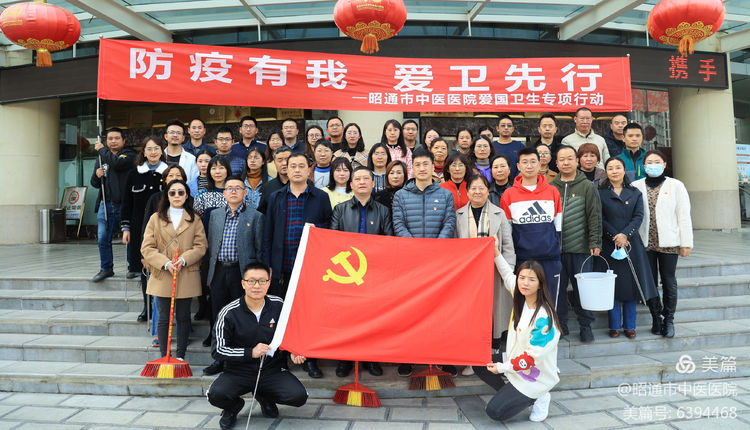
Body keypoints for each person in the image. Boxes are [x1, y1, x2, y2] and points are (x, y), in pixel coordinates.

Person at [206, 262, 308, 428]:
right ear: (243, 283)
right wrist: (250, 352)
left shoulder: (279, 305)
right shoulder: (229, 312)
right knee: (215, 395)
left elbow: (291, 332)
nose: (256, 286)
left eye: (262, 281)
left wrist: (293, 351)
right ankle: (233, 407)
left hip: (271, 370)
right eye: (251, 281)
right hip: (238, 371)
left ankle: (264, 395)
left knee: (299, 396)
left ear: (268, 283)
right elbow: (218, 350)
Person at [262, 152, 332, 378]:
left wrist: (318, 230)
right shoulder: (276, 197)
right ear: (286, 169)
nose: (297, 170)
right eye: (293, 166)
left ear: (309, 169)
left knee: (308, 314)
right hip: (281, 266)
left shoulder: (320, 197)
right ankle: (280, 359)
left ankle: (309, 359)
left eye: (302, 166)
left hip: (309, 267)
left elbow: (330, 229)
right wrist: (268, 265)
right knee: (280, 313)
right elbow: (268, 233)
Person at [392, 148, 456, 377]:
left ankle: (442, 356)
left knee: (439, 311)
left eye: (425, 164)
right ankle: (408, 357)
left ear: (433, 167)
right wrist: (417, 249)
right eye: (417, 164)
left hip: (438, 262)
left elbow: (449, 223)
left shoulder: (445, 195)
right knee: (410, 312)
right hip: (410, 262)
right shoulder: (401, 195)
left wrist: (434, 248)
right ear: (412, 167)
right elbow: (398, 224)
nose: (421, 168)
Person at [475, 258, 560, 423]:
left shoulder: (544, 318)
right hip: (515, 361)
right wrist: (496, 253)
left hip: (534, 374)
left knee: (494, 412)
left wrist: (502, 367)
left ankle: (539, 396)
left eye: (532, 279)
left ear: (540, 284)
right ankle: (511, 394)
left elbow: (531, 358)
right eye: (522, 277)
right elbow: (507, 274)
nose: (525, 283)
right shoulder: (521, 295)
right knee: (479, 363)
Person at [330, 166, 393, 378]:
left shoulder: (383, 210)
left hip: (374, 272)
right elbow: (333, 240)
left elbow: (389, 240)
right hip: (347, 272)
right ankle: (345, 359)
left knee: (372, 318)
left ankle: (371, 358)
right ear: (351, 184)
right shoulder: (340, 209)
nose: (362, 182)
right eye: (358, 179)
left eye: (366, 178)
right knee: (346, 318)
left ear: (373, 183)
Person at [203, 176, 265, 377]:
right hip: (219, 271)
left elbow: (259, 249)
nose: (233, 191)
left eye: (238, 188)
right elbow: (210, 245)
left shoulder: (255, 216)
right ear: (224, 193)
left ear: (245, 193)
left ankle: (240, 358)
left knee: (241, 315)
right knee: (218, 315)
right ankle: (219, 359)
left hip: (242, 273)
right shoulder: (215, 215)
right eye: (229, 188)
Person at [455, 174, 515, 376]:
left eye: (481, 188)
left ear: (488, 191)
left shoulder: (499, 213)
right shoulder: (459, 215)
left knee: (494, 315)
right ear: (467, 192)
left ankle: (492, 357)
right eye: (473, 188)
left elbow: (508, 245)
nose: (477, 192)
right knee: (472, 316)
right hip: (468, 275)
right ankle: (473, 360)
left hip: (495, 272)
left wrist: (508, 272)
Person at [141, 179, 207, 361]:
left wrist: (184, 259)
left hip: (186, 272)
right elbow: (147, 247)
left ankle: (181, 356)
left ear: (186, 195)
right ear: (167, 195)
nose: (177, 196)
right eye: (172, 192)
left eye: (181, 192)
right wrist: (165, 263)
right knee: (163, 316)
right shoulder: (155, 218)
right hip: (163, 273)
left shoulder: (195, 219)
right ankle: (164, 356)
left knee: (184, 316)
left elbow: (201, 246)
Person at [632, 150, 693, 339]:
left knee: (668, 280)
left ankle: (669, 320)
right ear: (643, 166)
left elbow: (684, 215)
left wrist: (686, 243)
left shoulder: (676, 185)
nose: (653, 165)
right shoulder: (636, 186)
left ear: (664, 164)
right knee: (649, 282)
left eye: (657, 162)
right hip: (645, 243)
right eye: (649, 162)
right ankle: (656, 318)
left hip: (669, 242)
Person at [596, 157, 658, 339]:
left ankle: (630, 326)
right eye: (610, 168)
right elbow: (600, 218)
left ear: (624, 170)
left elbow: (638, 217)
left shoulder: (635, 193)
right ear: (606, 172)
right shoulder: (599, 193)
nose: (614, 171)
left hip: (631, 244)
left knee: (631, 286)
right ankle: (614, 326)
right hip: (609, 244)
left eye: (618, 167)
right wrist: (615, 236)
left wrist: (625, 235)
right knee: (612, 286)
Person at [550, 145, 602, 341]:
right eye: (562, 159)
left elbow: (594, 216)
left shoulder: (587, 186)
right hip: (555, 251)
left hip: (581, 248)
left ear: (577, 161)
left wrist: (595, 242)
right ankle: (561, 325)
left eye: (570, 158)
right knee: (558, 291)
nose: (566, 162)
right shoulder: (550, 187)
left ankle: (586, 326)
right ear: (556, 163)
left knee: (583, 290)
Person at [500, 147, 563, 308]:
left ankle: (550, 326)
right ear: (518, 166)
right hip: (523, 259)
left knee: (550, 304)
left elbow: (558, 225)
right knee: (525, 305)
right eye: (525, 162)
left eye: (533, 161)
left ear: (540, 164)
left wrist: (554, 248)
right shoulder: (509, 195)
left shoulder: (552, 191)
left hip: (550, 258)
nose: (529, 166)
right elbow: (507, 231)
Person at [121, 136, 167, 322]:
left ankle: (164, 310)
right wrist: (126, 229)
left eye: (156, 148)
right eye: (149, 149)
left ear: (162, 151)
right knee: (144, 269)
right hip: (140, 229)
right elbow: (127, 203)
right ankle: (147, 307)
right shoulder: (134, 174)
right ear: (144, 152)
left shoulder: (169, 172)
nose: (153, 152)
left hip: (165, 230)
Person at [90, 127, 136, 282]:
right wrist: (97, 176)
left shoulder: (129, 154)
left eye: (117, 138)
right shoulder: (101, 158)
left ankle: (132, 267)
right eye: (110, 139)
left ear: (124, 140)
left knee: (129, 237)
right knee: (103, 237)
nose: (113, 141)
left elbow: (116, 163)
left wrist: (102, 150)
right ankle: (106, 268)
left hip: (125, 204)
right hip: (106, 203)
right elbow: (95, 183)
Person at [257, 147, 292, 214]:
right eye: (280, 160)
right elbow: (262, 213)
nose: (284, 163)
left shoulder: (303, 184)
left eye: (287, 159)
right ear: (274, 163)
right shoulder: (268, 187)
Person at [493, 115, 526, 180]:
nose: (506, 128)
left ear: (513, 129)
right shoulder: (492, 146)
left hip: (517, 182)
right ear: (497, 128)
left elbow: (524, 165)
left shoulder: (520, 146)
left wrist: (516, 181)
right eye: (503, 125)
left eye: (509, 126)